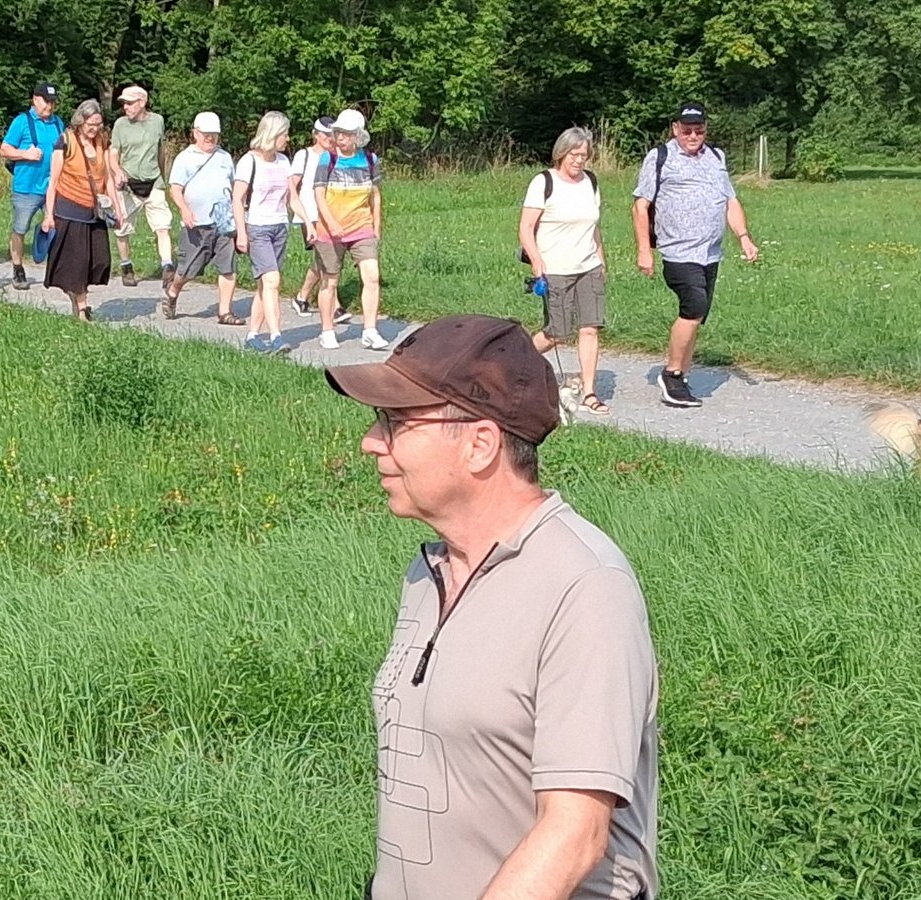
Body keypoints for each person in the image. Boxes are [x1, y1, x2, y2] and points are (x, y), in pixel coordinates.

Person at [322, 313, 659, 900]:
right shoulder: (429, 573)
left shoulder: (584, 588)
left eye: (396, 422)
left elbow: (576, 834)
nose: (371, 441)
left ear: (480, 444)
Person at [632, 102, 760, 409]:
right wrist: (643, 250)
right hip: (678, 250)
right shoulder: (660, 157)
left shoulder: (716, 157)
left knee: (698, 315)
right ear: (675, 128)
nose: (693, 135)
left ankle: (682, 374)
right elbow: (640, 205)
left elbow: (730, 201)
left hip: (710, 252)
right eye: (686, 130)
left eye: (699, 130)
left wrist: (744, 237)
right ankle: (671, 374)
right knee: (693, 306)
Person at [520, 126, 609, 415]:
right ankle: (518, 359)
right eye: (574, 154)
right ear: (562, 153)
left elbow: (593, 227)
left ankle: (590, 391)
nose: (579, 160)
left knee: (590, 328)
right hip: (555, 268)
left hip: (588, 267)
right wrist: (536, 261)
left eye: (584, 155)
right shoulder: (543, 182)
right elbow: (526, 228)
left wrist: (601, 259)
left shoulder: (591, 182)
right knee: (557, 332)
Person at [233, 111, 310, 354]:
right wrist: (242, 233)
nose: (287, 139)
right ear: (272, 134)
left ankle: (253, 336)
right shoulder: (249, 161)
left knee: (265, 286)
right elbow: (237, 200)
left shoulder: (283, 162)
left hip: (279, 227)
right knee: (273, 281)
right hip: (258, 228)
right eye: (284, 134)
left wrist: (309, 222)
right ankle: (276, 336)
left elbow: (291, 198)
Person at [42, 100, 123, 321]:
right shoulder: (65, 141)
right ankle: (82, 308)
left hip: (94, 211)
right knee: (77, 263)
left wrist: (117, 210)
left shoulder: (102, 142)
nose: (94, 129)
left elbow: (107, 178)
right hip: (69, 209)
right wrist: (49, 215)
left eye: (98, 124)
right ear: (80, 121)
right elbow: (54, 181)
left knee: (99, 262)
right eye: (90, 124)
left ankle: (77, 297)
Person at [313, 109, 386, 350]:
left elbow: (375, 195)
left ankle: (370, 330)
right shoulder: (328, 159)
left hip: (361, 227)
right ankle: (327, 330)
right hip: (330, 231)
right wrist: (330, 221)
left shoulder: (369, 160)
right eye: (338, 133)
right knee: (330, 282)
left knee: (372, 276)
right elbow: (319, 194)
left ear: (357, 136)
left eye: (345, 134)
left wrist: (376, 225)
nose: (340, 138)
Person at [163, 112, 244, 326]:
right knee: (188, 270)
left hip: (224, 223)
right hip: (197, 224)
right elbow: (175, 189)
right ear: (195, 133)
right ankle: (173, 290)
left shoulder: (225, 157)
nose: (210, 138)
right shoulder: (185, 158)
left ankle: (224, 312)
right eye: (206, 134)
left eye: (214, 135)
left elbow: (234, 188)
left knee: (228, 267)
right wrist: (184, 210)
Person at [108, 85, 175, 288]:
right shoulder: (120, 124)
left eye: (129, 103)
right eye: (124, 103)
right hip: (128, 183)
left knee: (163, 225)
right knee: (123, 228)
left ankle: (167, 266)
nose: (125, 107)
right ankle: (126, 266)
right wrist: (117, 171)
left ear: (142, 102)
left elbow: (160, 150)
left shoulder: (157, 121)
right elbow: (113, 153)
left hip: (153, 181)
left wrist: (164, 178)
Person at [0, 83, 64, 291]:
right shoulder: (22, 122)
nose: (50, 106)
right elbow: (4, 149)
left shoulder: (58, 123)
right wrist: (25, 154)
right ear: (35, 100)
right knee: (20, 228)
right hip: (26, 187)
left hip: (53, 187)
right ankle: (18, 269)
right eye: (46, 101)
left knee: (59, 226)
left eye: (53, 102)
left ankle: (56, 269)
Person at [290, 116, 339, 319]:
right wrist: (299, 213)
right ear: (315, 135)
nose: (329, 138)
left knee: (325, 259)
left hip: (329, 214)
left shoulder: (336, 156)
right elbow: (292, 185)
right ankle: (335, 307)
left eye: (332, 134)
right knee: (327, 257)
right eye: (325, 134)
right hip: (309, 214)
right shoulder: (305, 155)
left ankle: (302, 297)